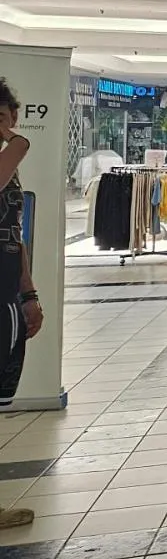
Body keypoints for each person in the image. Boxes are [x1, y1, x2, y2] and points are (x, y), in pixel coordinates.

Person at [0, 79, 43, 529]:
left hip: (7, 290)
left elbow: (15, 233)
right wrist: (18, 141)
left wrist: (28, 293)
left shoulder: (9, 166)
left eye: (3, 116)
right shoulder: (11, 154)